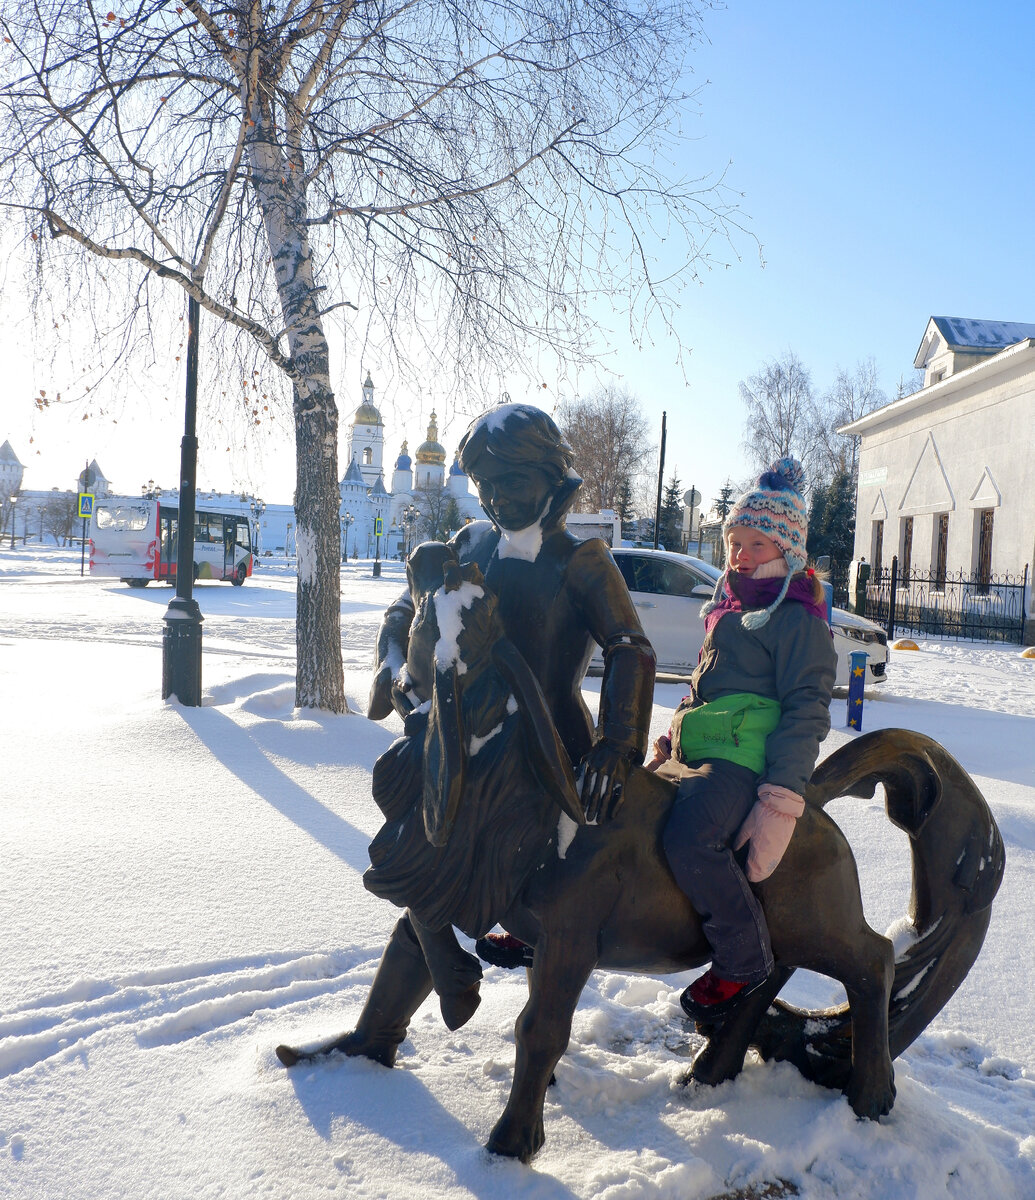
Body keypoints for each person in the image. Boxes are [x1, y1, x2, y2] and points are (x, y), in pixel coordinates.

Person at [363, 402, 656, 1011]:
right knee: (416, 855)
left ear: (552, 476)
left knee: (513, 884)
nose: (497, 499)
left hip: (547, 751)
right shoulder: (470, 543)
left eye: (513, 482)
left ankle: (507, 1021)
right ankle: (380, 1029)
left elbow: (630, 650)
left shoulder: (581, 562)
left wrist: (617, 744)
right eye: (486, 486)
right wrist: (391, 667)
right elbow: (405, 607)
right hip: (466, 740)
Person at [651, 456, 836, 1020]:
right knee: (618, 810)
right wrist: (670, 738)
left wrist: (780, 801)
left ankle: (741, 955)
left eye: (758, 545)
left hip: (741, 760)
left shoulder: (797, 619)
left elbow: (806, 708)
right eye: (736, 542)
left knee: (689, 837)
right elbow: (702, 687)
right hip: (696, 748)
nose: (741, 555)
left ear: (788, 551)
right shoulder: (727, 608)